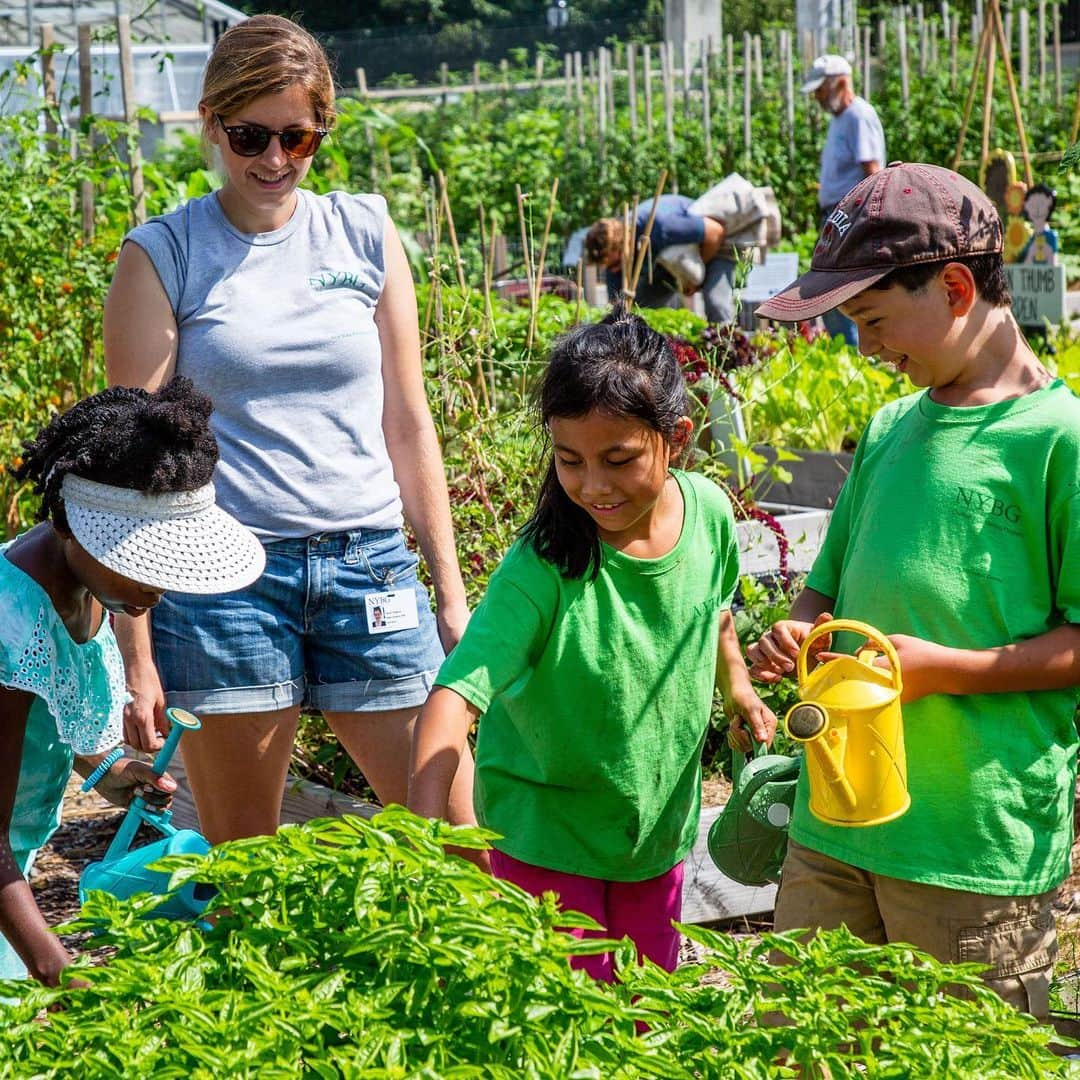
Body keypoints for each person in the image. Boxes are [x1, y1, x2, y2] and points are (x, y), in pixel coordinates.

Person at [102, 14, 476, 845]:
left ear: (320, 131)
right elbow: (131, 464)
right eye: (249, 136)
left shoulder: (365, 234)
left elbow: (406, 422)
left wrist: (449, 595)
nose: (274, 160)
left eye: (296, 138)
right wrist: (137, 656)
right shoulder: (165, 254)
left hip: (369, 566)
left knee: (453, 839)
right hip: (227, 586)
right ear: (211, 125)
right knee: (249, 860)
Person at [752, 162, 1080, 1020]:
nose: (866, 346)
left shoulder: (1057, 441)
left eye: (872, 319)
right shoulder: (894, 426)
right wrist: (797, 633)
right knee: (800, 1041)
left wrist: (945, 669)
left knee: (966, 1052)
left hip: (970, 844)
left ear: (956, 287)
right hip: (834, 819)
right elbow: (822, 590)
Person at [408, 305, 776, 980]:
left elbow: (716, 610)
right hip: (545, 837)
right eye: (570, 460)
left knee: (645, 1015)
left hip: (654, 836)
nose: (593, 486)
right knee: (570, 1027)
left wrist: (738, 688)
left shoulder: (711, 516)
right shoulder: (543, 567)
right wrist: (431, 836)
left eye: (619, 459)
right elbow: (453, 700)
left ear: (679, 440)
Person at [0, 377, 264, 984]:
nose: (157, 587)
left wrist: (112, 773)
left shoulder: (93, 591)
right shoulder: (10, 628)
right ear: (69, 524)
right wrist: (54, 965)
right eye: (140, 560)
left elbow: (55, 716)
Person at [801, 54, 885, 346]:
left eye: (821, 89)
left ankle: (855, 354)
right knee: (830, 295)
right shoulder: (841, 119)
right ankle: (848, 353)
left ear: (840, 83)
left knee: (837, 293)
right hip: (837, 218)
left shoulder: (858, 116)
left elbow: (872, 173)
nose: (817, 97)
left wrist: (864, 225)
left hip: (851, 220)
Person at [585, 195, 736, 323]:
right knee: (636, 309)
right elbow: (616, 307)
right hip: (669, 261)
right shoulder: (613, 257)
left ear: (623, 245)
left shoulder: (661, 226)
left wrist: (696, 275)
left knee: (716, 303)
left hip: (714, 246)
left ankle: (728, 348)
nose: (615, 270)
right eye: (610, 268)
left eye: (616, 264)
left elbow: (716, 231)